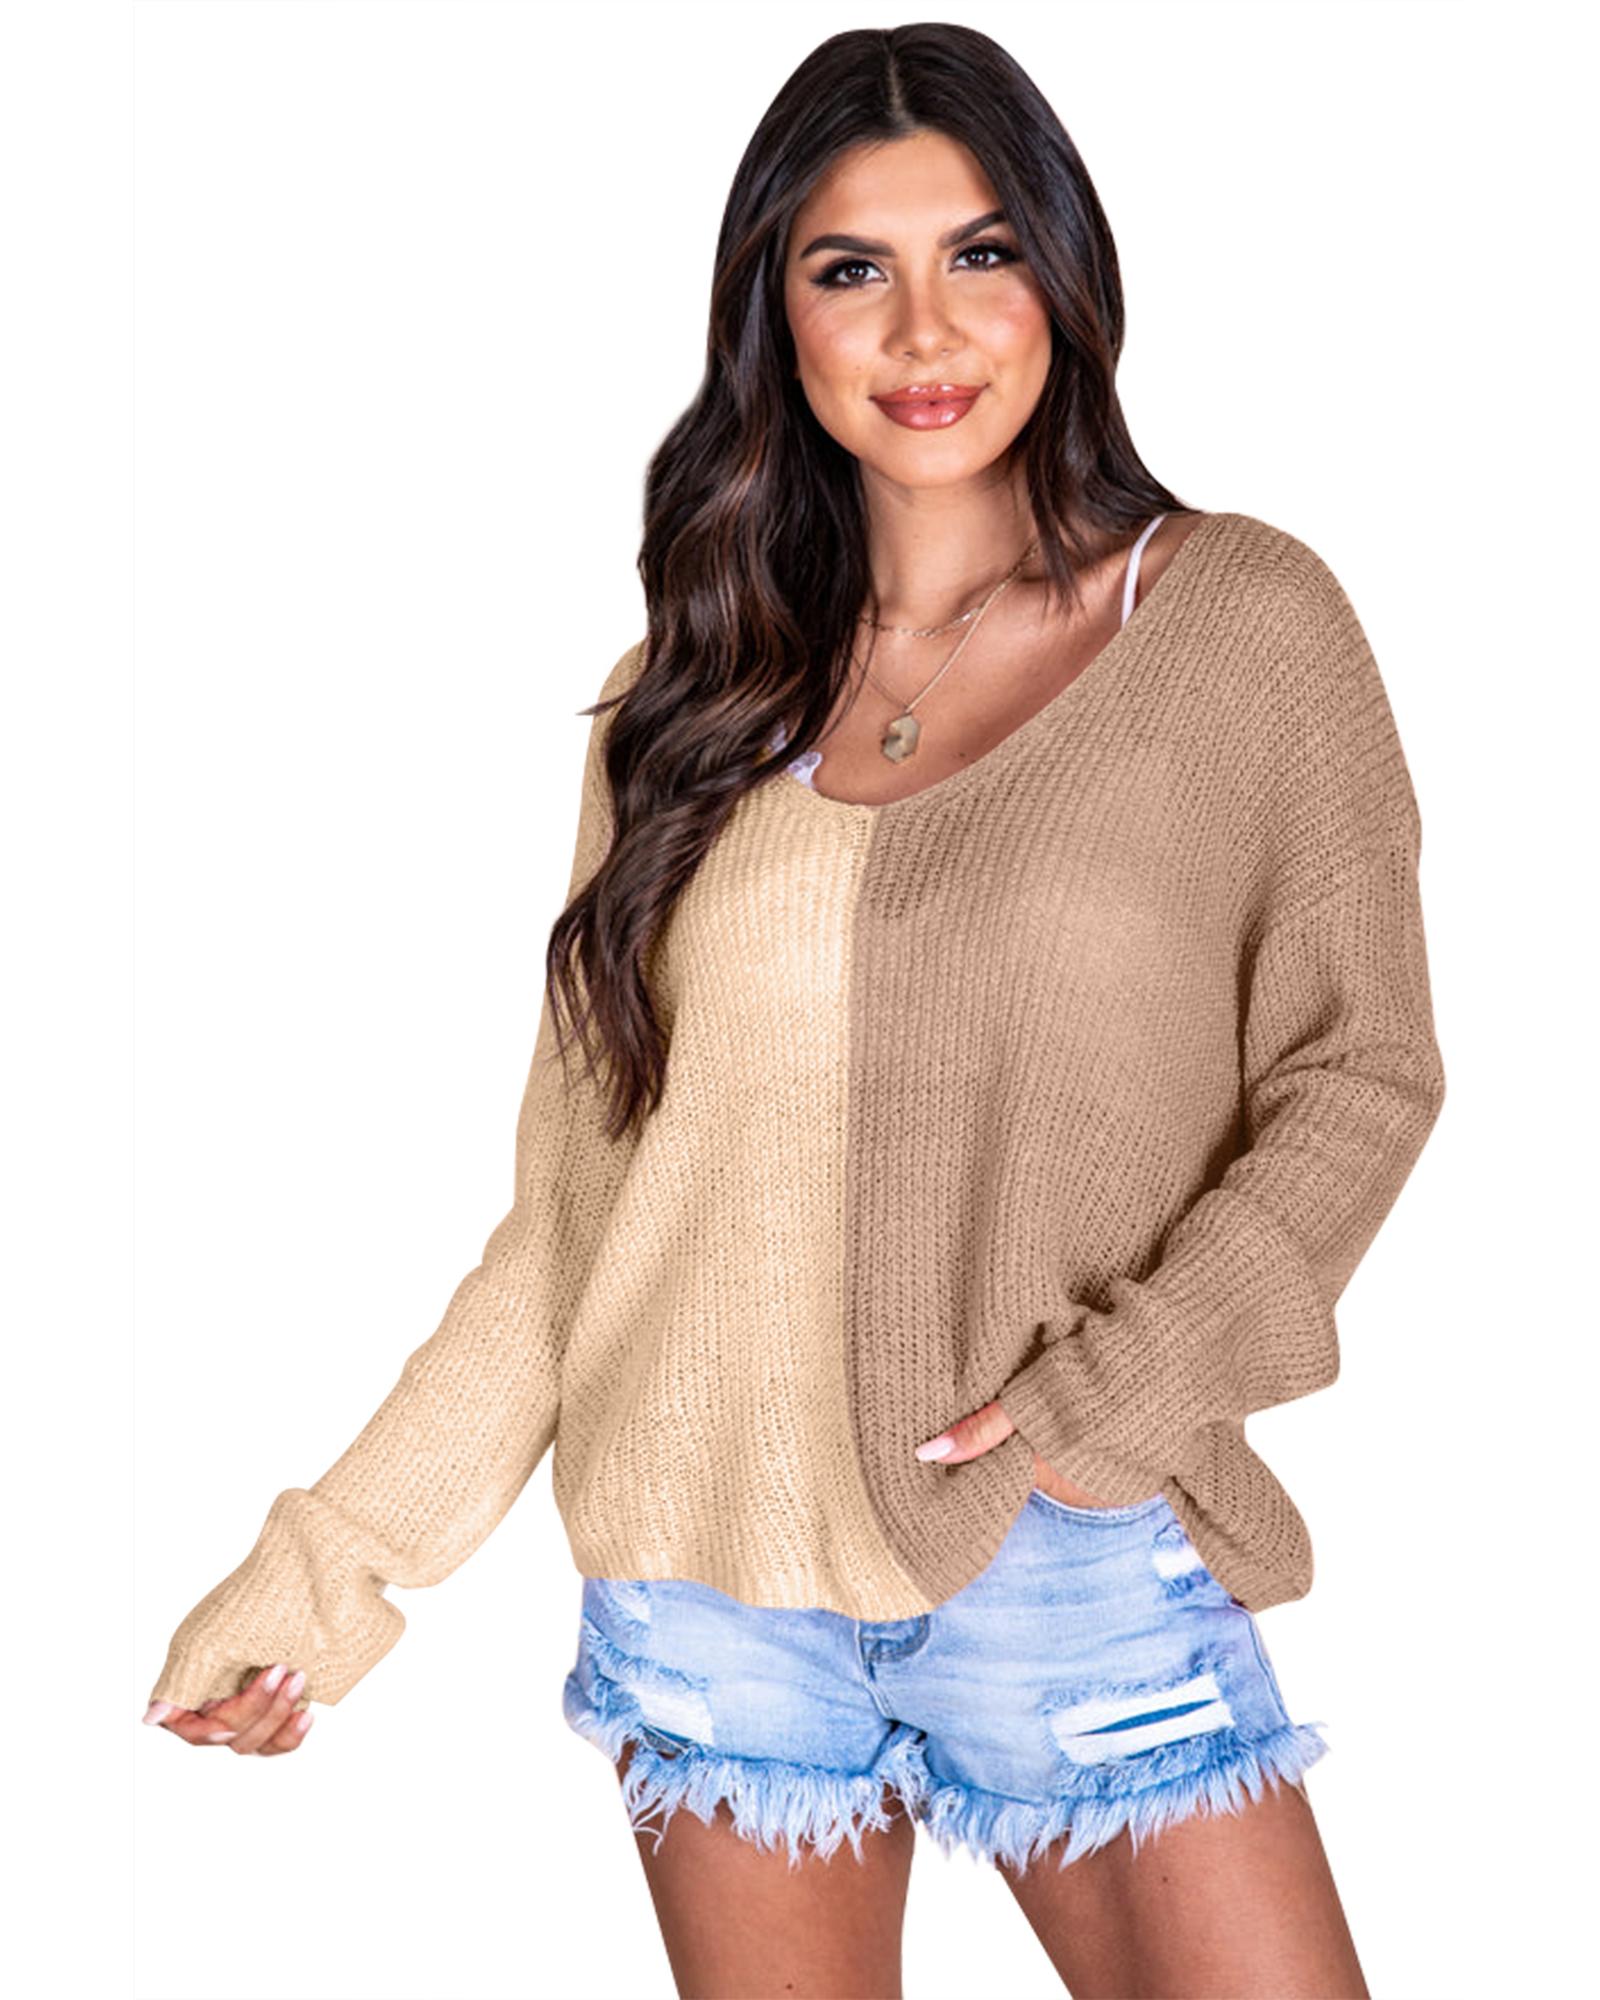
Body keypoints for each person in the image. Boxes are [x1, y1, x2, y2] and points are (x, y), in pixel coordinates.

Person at [143, 23, 1445, 1999]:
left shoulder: (1237, 624)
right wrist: (324, 1569)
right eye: (852, 269)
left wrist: (1107, 1395)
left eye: (980, 253)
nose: (925, 329)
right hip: (708, 1595)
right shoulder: (684, 697)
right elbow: (577, 1230)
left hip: (1063, 1542)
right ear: (778, 317)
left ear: (1063, 278)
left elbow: (1356, 1073)